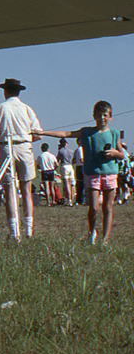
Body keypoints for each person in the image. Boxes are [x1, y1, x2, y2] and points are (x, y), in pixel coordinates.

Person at [36, 100, 124, 245]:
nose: (102, 118)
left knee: (108, 207)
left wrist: (115, 153)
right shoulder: (87, 132)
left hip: (109, 174)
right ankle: (92, 232)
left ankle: (105, 238)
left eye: (105, 115)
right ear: (94, 116)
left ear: (110, 117)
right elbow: (65, 133)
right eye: (99, 115)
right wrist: (44, 132)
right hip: (92, 174)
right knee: (93, 207)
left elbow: (122, 154)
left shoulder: (114, 134)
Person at [0, 78, 42, 241]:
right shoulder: (27, 109)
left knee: (10, 190)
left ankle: (14, 232)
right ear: (18, 92)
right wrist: (25, 139)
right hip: (24, 147)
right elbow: (38, 133)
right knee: (26, 189)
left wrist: (2, 140)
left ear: (5, 91)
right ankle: (28, 230)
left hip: (6, 147)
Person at [56, 139, 76, 206]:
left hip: (64, 166)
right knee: (71, 183)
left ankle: (69, 199)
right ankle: (72, 199)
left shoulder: (61, 151)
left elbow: (57, 160)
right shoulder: (71, 151)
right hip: (70, 166)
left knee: (66, 184)